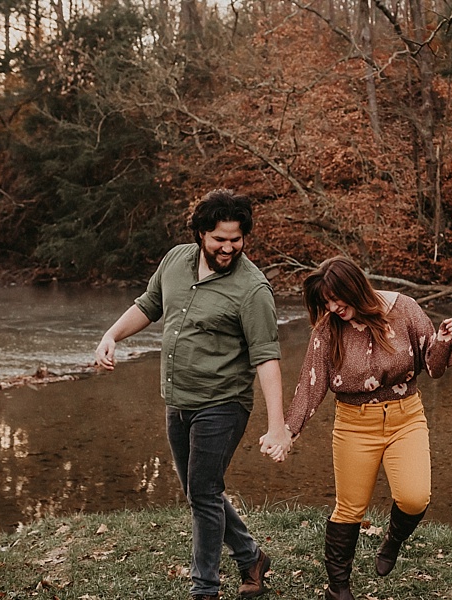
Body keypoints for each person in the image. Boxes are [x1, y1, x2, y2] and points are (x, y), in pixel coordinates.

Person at [92, 189, 290, 600]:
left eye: (236, 239)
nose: (228, 247)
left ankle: (205, 589)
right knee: (202, 489)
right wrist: (111, 335)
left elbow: (267, 359)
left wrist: (277, 426)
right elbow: (149, 305)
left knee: (202, 492)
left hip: (224, 403)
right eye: (220, 238)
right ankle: (251, 557)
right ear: (201, 233)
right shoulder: (175, 261)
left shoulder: (253, 289)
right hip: (177, 400)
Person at [282, 256, 452, 600]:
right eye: (326, 301)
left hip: (405, 417)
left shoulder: (404, 309)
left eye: (337, 298)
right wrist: (288, 431)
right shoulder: (328, 327)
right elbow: (310, 385)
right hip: (353, 424)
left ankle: (392, 540)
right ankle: (338, 589)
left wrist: (443, 340)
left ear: (356, 287)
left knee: (414, 497)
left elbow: (433, 368)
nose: (333, 307)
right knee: (349, 507)